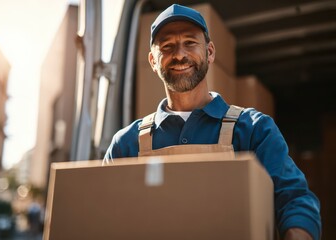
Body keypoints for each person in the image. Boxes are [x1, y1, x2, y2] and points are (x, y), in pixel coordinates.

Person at [103, 4, 321, 240]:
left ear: (210, 52)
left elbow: (294, 198)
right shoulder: (126, 143)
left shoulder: (253, 129)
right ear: (153, 62)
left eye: (190, 42)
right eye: (167, 46)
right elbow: (99, 212)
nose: (179, 54)